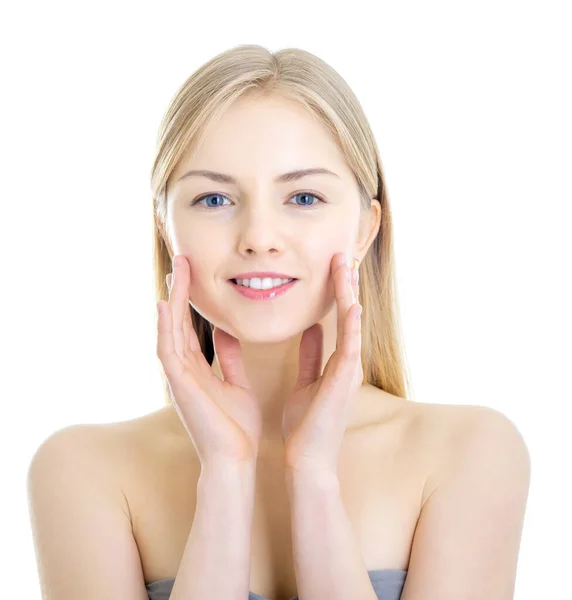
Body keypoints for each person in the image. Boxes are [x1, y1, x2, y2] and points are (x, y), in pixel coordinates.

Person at [27, 44, 531, 600]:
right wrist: (224, 475)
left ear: (366, 227)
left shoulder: (472, 453)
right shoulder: (81, 471)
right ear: (166, 228)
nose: (259, 236)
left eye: (304, 196)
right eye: (215, 198)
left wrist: (314, 476)